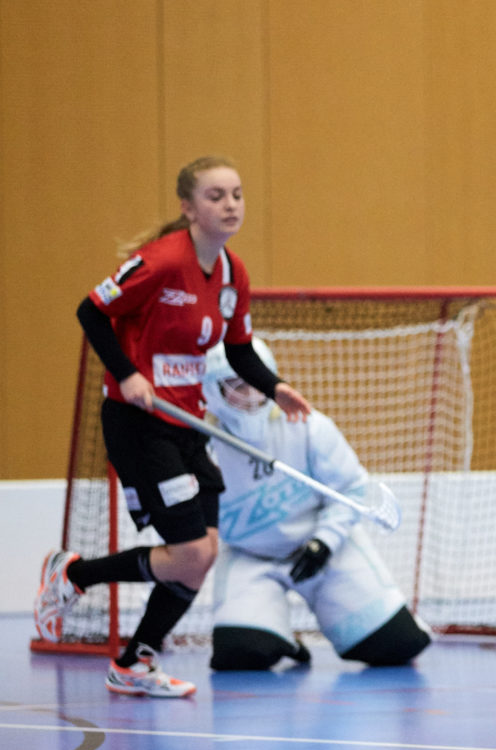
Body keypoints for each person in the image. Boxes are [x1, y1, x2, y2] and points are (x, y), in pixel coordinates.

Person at [34, 156, 312, 697]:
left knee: (200, 555)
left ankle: (135, 662)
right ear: (188, 207)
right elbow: (91, 311)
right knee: (190, 552)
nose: (230, 205)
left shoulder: (233, 273)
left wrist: (276, 386)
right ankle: (73, 575)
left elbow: (236, 349)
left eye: (236, 194)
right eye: (215, 196)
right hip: (138, 422)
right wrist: (128, 373)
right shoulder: (159, 262)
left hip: (186, 425)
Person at [201, 340, 432, 670]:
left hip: (325, 548)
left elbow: (351, 489)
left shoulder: (308, 426)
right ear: (213, 390)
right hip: (250, 557)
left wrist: (323, 543)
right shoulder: (202, 447)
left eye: (257, 382)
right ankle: (282, 639)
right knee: (241, 653)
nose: (251, 395)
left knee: (398, 645)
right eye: (237, 386)